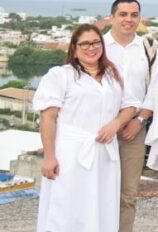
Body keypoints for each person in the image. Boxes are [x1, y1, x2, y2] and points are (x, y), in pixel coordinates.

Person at [34, 24, 138, 231]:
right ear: (74, 48)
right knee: (67, 208)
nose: (91, 48)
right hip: (70, 153)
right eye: (85, 44)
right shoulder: (61, 75)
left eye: (96, 42)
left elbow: (130, 105)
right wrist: (49, 156)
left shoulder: (113, 74)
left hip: (105, 154)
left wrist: (115, 124)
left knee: (102, 205)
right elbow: (48, 117)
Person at [104, 0, 158, 232]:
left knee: (127, 194)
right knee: (98, 191)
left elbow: (155, 88)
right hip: (101, 126)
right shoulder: (98, 45)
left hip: (133, 129)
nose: (128, 19)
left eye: (133, 15)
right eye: (123, 14)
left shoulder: (148, 48)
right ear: (112, 17)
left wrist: (140, 120)